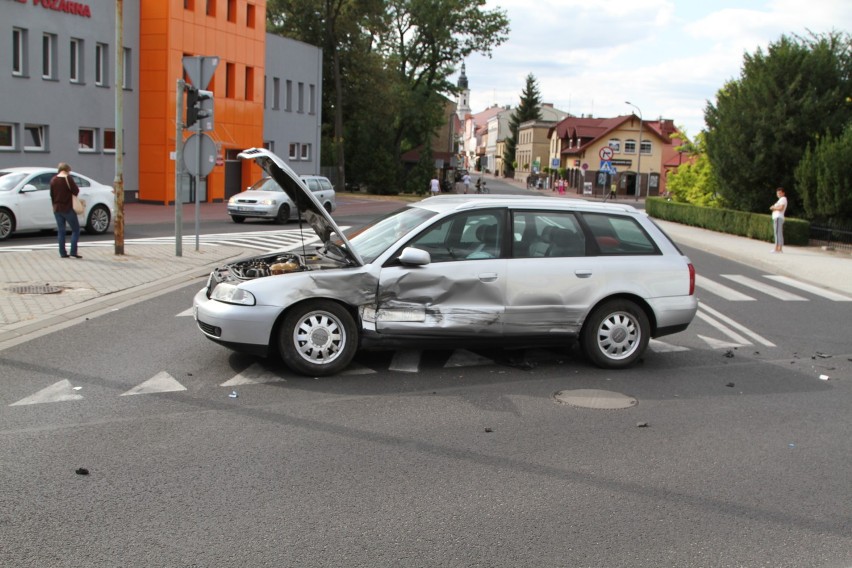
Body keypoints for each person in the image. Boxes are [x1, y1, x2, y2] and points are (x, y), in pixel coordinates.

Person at [49, 162, 82, 259]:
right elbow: (76, 191)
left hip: (57, 209)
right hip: (68, 208)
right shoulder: (68, 179)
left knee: (61, 231)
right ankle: (73, 251)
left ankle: (62, 253)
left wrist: (54, 205)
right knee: (76, 229)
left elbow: (51, 194)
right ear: (67, 170)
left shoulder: (53, 180)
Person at [769, 187, 787, 253]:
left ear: (783, 193)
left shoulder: (783, 199)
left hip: (778, 217)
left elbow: (781, 208)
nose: (778, 194)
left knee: (777, 233)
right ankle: (779, 248)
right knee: (779, 233)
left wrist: (773, 207)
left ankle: (777, 249)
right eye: (777, 193)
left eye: (780, 193)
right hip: (778, 217)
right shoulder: (780, 200)